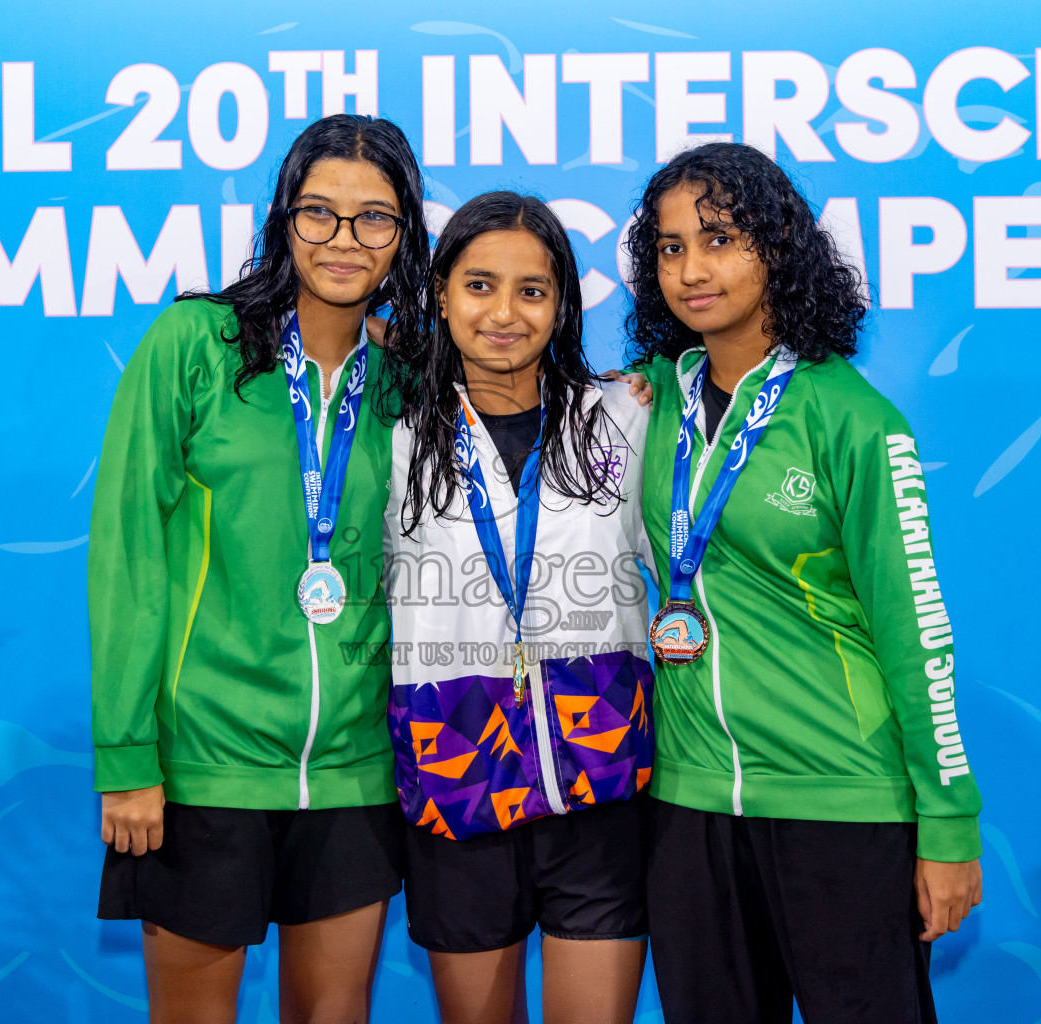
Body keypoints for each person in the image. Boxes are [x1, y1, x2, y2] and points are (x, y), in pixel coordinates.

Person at [625, 142, 984, 1023]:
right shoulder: (638, 403)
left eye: (718, 239)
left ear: (779, 245)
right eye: (670, 247)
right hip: (687, 804)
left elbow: (917, 633)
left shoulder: (854, 420)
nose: (691, 269)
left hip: (839, 802)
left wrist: (947, 823)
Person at [88, 113, 430, 1024]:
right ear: (283, 219)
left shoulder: (412, 377)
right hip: (209, 766)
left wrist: (637, 385)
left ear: (406, 236)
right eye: (320, 213)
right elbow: (129, 553)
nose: (345, 240)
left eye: (375, 218)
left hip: (358, 770)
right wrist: (128, 756)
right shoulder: (197, 345)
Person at [385, 191, 655, 1024]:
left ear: (564, 304)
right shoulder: (387, 431)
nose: (504, 312)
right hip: (454, 763)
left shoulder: (624, 419)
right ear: (438, 294)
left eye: (532, 291)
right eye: (479, 285)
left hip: (601, 773)